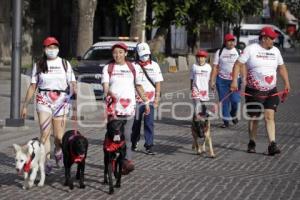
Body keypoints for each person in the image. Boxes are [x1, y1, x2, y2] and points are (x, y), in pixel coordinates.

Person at [230, 26, 291, 155]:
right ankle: (252, 142)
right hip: (253, 91)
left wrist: (286, 83)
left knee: (270, 116)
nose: (273, 41)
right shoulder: (250, 49)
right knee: (254, 118)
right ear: (264, 38)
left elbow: (281, 67)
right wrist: (235, 81)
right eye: (271, 39)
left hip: (271, 90)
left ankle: (272, 144)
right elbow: (238, 65)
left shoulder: (276, 51)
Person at [21, 36, 76, 173]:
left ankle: (58, 151)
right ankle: (47, 162)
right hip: (43, 100)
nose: (52, 50)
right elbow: (33, 86)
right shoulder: (39, 64)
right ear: (44, 49)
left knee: (58, 137)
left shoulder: (64, 63)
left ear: (57, 48)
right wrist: (25, 105)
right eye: (49, 47)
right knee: (45, 133)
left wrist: (74, 95)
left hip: (61, 100)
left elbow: (72, 82)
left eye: (54, 47)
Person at [102, 42, 150, 174]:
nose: (118, 55)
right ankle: (111, 159)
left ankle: (127, 161)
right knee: (114, 135)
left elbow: (138, 86)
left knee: (127, 136)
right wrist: (108, 93)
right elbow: (105, 86)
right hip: (113, 109)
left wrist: (146, 102)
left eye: (120, 52)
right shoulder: (108, 68)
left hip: (129, 108)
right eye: (115, 52)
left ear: (126, 53)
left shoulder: (133, 67)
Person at [131, 42, 163, 155]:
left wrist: (157, 99)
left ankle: (149, 145)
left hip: (151, 99)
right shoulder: (133, 66)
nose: (145, 57)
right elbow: (134, 84)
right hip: (137, 100)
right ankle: (134, 141)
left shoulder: (155, 65)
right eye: (142, 54)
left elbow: (158, 82)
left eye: (147, 54)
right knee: (136, 123)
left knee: (149, 123)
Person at [210, 33, 242, 128]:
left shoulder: (239, 52)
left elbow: (243, 66)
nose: (231, 42)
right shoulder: (219, 52)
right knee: (224, 101)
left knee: (235, 100)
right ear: (225, 42)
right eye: (229, 41)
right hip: (222, 80)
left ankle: (233, 113)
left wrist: (245, 78)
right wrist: (212, 80)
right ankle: (226, 121)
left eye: (233, 40)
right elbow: (215, 67)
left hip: (235, 80)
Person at [190, 49, 212, 116]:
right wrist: (191, 86)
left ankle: (205, 113)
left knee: (203, 104)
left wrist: (212, 85)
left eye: (202, 57)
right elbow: (191, 77)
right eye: (198, 57)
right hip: (195, 88)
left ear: (205, 58)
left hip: (204, 89)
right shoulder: (194, 66)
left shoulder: (208, 67)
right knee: (197, 104)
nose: (200, 59)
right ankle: (197, 119)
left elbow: (210, 78)